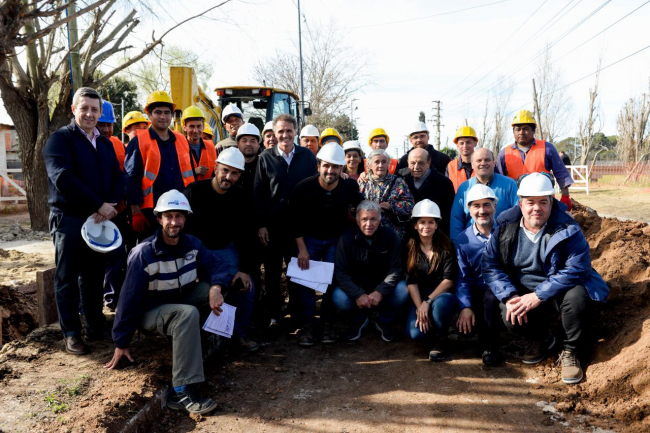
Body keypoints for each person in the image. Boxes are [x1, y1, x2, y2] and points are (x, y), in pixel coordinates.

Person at [106, 190, 228, 415]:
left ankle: (204, 340)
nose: (174, 222)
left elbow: (217, 266)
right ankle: (182, 390)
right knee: (187, 313)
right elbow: (128, 298)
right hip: (150, 312)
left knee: (208, 290)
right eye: (168, 216)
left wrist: (216, 288)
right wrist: (121, 341)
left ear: (185, 218)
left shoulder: (192, 244)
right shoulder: (143, 253)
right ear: (159, 218)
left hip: (179, 300)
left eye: (179, 216)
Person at [482, 173, 609, 384]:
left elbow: (577, 268)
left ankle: (570, 351)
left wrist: (539, 295)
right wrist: (510, 295)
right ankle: (542, 340)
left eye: (543, 202)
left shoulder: (568, 228)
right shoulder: (505, 228)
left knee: (578, 297)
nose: (536, 208)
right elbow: (490, 265)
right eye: (530, 202)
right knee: (508, 312)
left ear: (552, 203)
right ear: (521, 204)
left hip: (557, 291)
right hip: (523, 291)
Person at [43, 87, 124, 355]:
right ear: (73, 109)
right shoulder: (60, 140)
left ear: (100, 113)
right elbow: (64, 179)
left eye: (94, 109)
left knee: (93, 275)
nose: (89, 113)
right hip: (69, 218)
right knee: (67, 277)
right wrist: (97, 204)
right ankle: (71, 334)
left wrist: (108, 205)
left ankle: (95, 325)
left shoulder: (104, 144)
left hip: (98, 218)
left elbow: (116, 176)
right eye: (84, 108)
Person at [183, 148, 258, 352]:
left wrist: (244, 269)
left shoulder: (241, 197)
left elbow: (248, 235)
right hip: (195, 251)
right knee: (201, 290)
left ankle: (238, 334)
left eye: (235, 173)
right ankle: (206, 336)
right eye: (225, 170)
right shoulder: (194, 192)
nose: (228, 177)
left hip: (225, 250)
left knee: (244, 286)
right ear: (215, 168)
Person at [289, 143, 364, 347]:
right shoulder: (303, 188)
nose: (330, 171)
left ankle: (328, 323)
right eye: (326, 166)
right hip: (309, 240)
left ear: (342, 169)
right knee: (305, 282)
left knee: (332, 281)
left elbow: (361, 207)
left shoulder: (349, 186)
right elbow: (293, 221)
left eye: (335, 167)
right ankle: (308, 325)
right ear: (318, 165)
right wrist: (302, 249)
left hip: (335, 240)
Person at [253, 114, 318, 332]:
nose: (285, 135)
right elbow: (259, 192)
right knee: (272, 273)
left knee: (297, 273)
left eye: (289, 131)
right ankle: (274, 316)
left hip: (299, 228)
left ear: (295, 132)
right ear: (273, 133)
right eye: (280, 131)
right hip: (273, 227)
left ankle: (298, 317)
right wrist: (261, 224)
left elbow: (314, 187)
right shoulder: (265, 157)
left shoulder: (307, 157)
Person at [333, 200, 409, 342]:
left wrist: (380, 291)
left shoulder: (391, 236)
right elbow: (340, 272)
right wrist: (358, 294)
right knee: (339, 297)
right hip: (356, 286)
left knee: (403, 290)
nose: (369, 224)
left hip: (382, 286)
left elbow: (397, 268)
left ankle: (383, 320)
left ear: (380, 219)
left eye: (373, 219)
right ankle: (359, 319)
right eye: (364, 219)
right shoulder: (347, 237)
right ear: (357, 220)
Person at [124, 90, 195, 240]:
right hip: (151, 212)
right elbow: (131, 178)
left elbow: (191, 174)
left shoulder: (182, 140)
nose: (163, 117)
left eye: (167, 112)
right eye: (158, 112)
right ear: (149, 115)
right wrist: (135, 211)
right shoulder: (139, 141)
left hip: (180, 207)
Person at [404, 200, 458, 361]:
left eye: (430, 222)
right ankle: (431, 331)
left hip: (442, 295)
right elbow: (410, 281)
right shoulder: (409, 246)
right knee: (415, 334)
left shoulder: (446, 246)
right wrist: (420, 306)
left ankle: (441, 339)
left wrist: (427, 301)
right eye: (422, 222)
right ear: (415, 225)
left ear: (436, 225)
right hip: (419, 296)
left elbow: (449, 280)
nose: (426, 226)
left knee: (441, 304)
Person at [454, 184, 501, 366]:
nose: (482, 211)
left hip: (503, 289)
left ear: (494, 207)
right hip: (477, 291)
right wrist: (465, 306)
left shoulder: (506, 232)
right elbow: (462, 277)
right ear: (469, 209)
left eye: (486, 205)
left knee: (491, 298)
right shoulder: (462, 241)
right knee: (471, 323)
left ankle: (491, 346)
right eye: (476, 206)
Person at [497, 110, 574, 210]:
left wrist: (565, 196)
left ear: (533, 131)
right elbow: (499, 180)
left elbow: (561, 174)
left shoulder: (547, 148)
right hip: (515, 204)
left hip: (543, 204)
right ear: (513, 132)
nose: (521, 132)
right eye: (518, 129)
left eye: (525, 129)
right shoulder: (504, 153)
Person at [96, 100, 130, 311]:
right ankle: (85, 305)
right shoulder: (79, 145)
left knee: (117, 256)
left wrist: (117, 204)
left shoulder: (115, 144)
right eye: (103, 125)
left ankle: (111, 298)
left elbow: (122, 178)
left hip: (116, 211)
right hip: (91, 213)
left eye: (110, 125)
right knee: (91, 261)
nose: (107, 129)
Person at [450, 148, 519, 240]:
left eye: (487, 160)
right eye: (479, 160)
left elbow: (518, 210)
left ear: (494, 163)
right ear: (472, 165)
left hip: (503, 240)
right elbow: (456, 218)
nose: (483, 163)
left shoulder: (509, 184)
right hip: (471, 244)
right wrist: (457, 244)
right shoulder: (464, 187)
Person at [398, 148, 455, 236]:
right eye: (412, 163)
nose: (416, 167)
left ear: (428, 162)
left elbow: (448, 215)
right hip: (407, 236)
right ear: (407, 162)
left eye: (421, 163)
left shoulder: (444, 183)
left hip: (434, 236)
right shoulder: (400, 179)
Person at [359, 149, 414, 238]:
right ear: (369, 165)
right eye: (377, 162)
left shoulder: (398, 182)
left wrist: (391, 206)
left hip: (393, 235)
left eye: (384, 162)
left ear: (388, 164)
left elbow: (410, 205)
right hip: (367, 235)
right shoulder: (362, 183)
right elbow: (353, 207)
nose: (381, 165)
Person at [181, 105, 216, 181]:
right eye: (191, 126)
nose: (195, 130)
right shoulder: (178, 147)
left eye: (198, 126)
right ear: (184, 127)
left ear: (203, 126)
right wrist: (193, 172)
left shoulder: (211, 147)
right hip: (185, 191)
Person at [446, 126, 477, 191]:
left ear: (475, 143)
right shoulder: (451, 166)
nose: (465, 146)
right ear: (457, 145)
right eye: (461, 143)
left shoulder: (483, 164)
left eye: (468, 142)